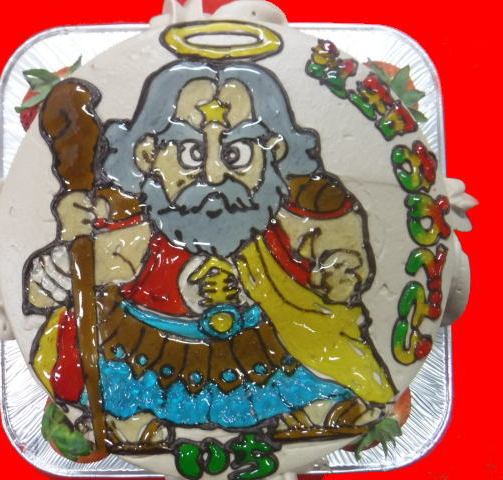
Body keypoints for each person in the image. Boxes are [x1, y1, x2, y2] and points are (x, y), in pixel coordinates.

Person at [25, 61, 395, 451]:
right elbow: (71, 278)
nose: (214, 174)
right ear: (148, 154)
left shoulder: (290, 214)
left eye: (237, 151)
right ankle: (127, 419)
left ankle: (313, 407)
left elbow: (336, 243)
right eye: (189, 152)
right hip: (148, 353)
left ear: (275, 152)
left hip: (260, 354)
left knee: (311, 379)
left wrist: (341, 266)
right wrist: (56, 273)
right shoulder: (128, 222)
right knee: (123, 388)